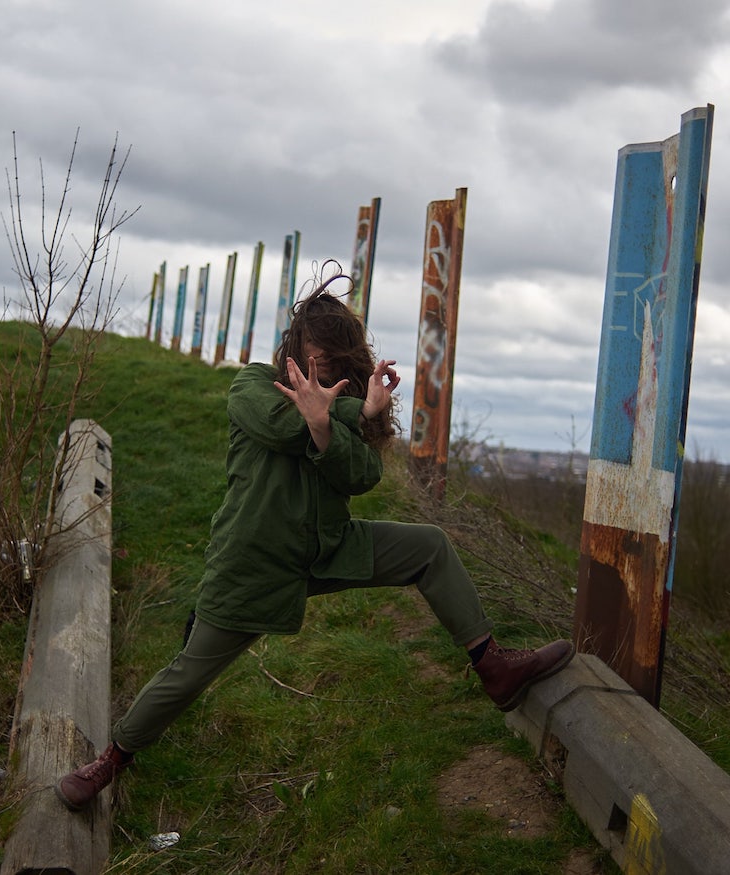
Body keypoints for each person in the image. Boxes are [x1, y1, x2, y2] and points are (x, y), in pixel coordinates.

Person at [55, 262, 574, 812]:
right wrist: (355, 412)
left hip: (328, 547)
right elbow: (284, 425)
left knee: (429, 547)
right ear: (291, 350)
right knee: (189, 671)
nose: (311, 373)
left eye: (326, 368)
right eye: (306, 361)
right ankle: (110, 761)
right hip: (255, 561)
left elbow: (362, 477)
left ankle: (493, 667)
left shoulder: (341, 416)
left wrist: (338, 426)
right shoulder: (250, 385)